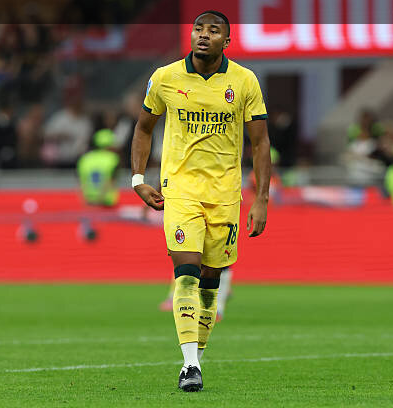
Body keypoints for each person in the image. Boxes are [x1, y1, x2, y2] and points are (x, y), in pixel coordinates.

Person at [130, 10, 271, 392]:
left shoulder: (244, 81)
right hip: (180, 189)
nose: (203, 35)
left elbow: (260, 142)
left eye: (213, 30)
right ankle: (189, 364)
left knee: (211, 280)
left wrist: (261, 199)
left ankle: (196, 357)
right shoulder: (165, 77)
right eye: (198, 29)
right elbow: (143, 127)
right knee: (187, 271)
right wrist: (138, 179)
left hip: (225, 194)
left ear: (227, 40)